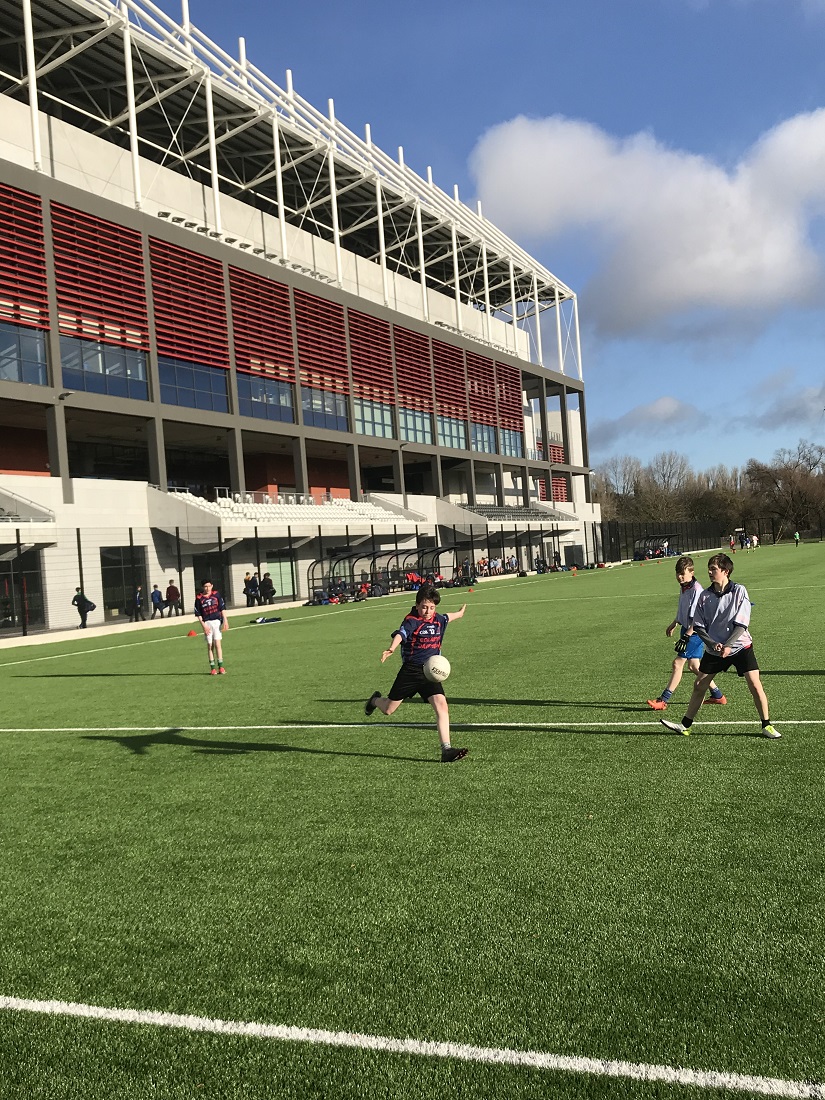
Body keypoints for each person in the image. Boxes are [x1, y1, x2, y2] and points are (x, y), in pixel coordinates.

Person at [660, 553, 780, 739]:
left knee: (755, 685)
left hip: (740, 646)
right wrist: (712, 643)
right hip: (715, 649)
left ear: (726, 571)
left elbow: (742, 624)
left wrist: (729, 645)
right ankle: (685, 726)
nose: (709, 572)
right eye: (709, 569)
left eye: (713, 569)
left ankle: (767, 725)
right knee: (699, 685)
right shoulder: (705, 596)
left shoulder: (739, 591)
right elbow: (698, 626)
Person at [364, 584, 468, 763]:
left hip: (431, 672)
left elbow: (448, 617)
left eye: (432, 607)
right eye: (424, 607)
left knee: (442, 706)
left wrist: (460, 613)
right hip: (411, 672)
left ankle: (446, 750)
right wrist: (391, 648)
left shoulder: (438, 620)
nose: (428, 611)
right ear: (417, 605)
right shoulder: (411, 621)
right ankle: (374, 700)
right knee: (388, 709)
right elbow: (401, 634)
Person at [647, 556, 726, 711]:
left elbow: (697, 618)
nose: (679, 577)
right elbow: (682, 608)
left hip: (695, 632)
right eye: (678, 573)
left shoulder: (697, 590)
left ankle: (663, 700)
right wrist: (675, 622)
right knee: (694, 666)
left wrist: (687, 635)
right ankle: (718, 695)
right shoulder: (684, 587)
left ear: (692, 572)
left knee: (678, 663)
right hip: (687, 630)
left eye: (682, 573)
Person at [194, 579, 229, 675]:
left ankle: (221, 667)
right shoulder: (199, 598)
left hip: (217, 621)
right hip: (207, 623)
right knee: (210, 645)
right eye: (205, 586)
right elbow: (198, 614)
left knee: (218, 644)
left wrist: (225, 620)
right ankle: (213, 668)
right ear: (203, 587)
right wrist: (204, 626)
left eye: (209, 586)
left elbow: (222, 608)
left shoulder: (216, 595)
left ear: (212, 586)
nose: (207, 588)